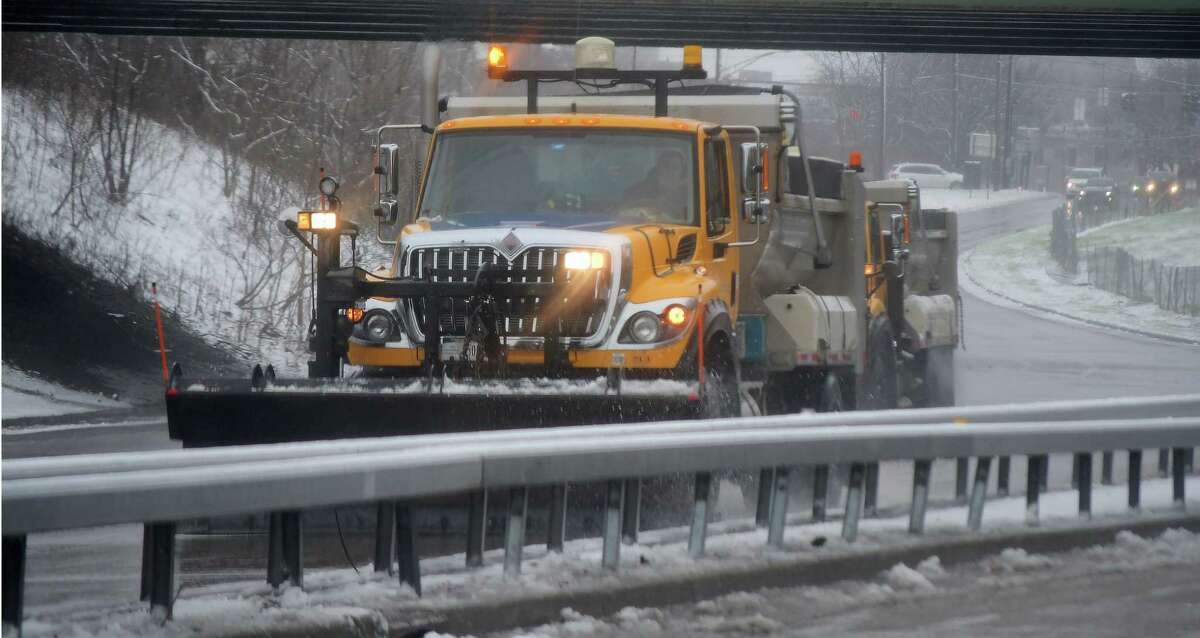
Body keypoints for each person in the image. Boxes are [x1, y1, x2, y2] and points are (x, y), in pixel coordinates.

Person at [622, 151, 690, 222]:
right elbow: (623, 215)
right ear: (657, 169)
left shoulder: (689, 197)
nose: (670, 170)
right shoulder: (637, 192)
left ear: (682, 173)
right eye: (665, 166)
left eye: (675, 167)